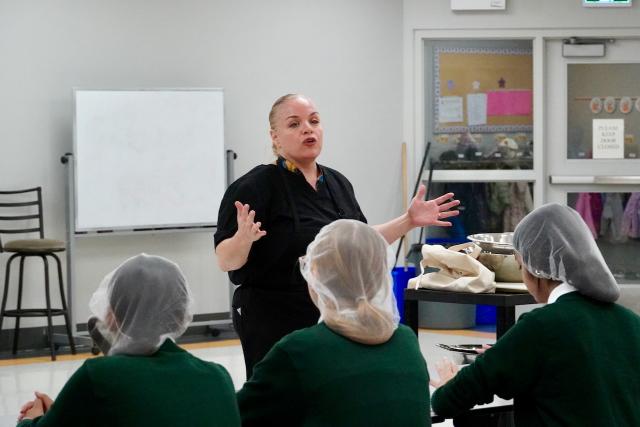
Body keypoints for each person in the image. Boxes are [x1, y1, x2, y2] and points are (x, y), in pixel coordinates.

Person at [214, 93, 459, 376]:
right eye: (294, 124)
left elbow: (359, 242)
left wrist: (408, 221)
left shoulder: (337, 183)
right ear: (275, 137)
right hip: (273, 319)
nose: (307, 129)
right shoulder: (254, 187)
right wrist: (243, 239)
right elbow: (225, 260)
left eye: (314, 121)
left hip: (334, 316)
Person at [430, 203, 640, 426]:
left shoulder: (540, 326)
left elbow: (447, 401)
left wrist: (448, 383)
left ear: (535, 268)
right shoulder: (632, 323)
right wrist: (507, 354)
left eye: (520, 266)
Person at [236, 219, 431, 426]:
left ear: (315, 274)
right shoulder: (406, 340)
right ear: (379, 277)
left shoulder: (299, 351)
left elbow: (231, 415)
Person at [17, 254, 240, 427]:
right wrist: (67, 412)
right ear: (182, 315)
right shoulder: (219, 377)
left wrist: (31, 419)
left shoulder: (99, 375)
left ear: (112, 315)